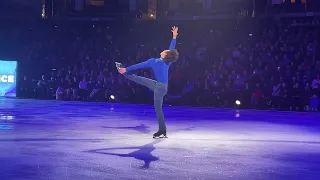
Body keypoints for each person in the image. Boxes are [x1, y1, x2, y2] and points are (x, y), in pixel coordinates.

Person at [116, 26, 179, 138]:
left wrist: (127, 68)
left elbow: (140, 65)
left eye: (166, 51)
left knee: (158, 109)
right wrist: (174, 36)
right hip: (160, 86)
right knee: (138, 79)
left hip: (160, 88)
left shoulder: (154, 62)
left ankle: (162, 130)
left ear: (165, 55)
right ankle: (124, 72)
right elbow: (171, 48)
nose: (165, 49)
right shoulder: (166, 62)